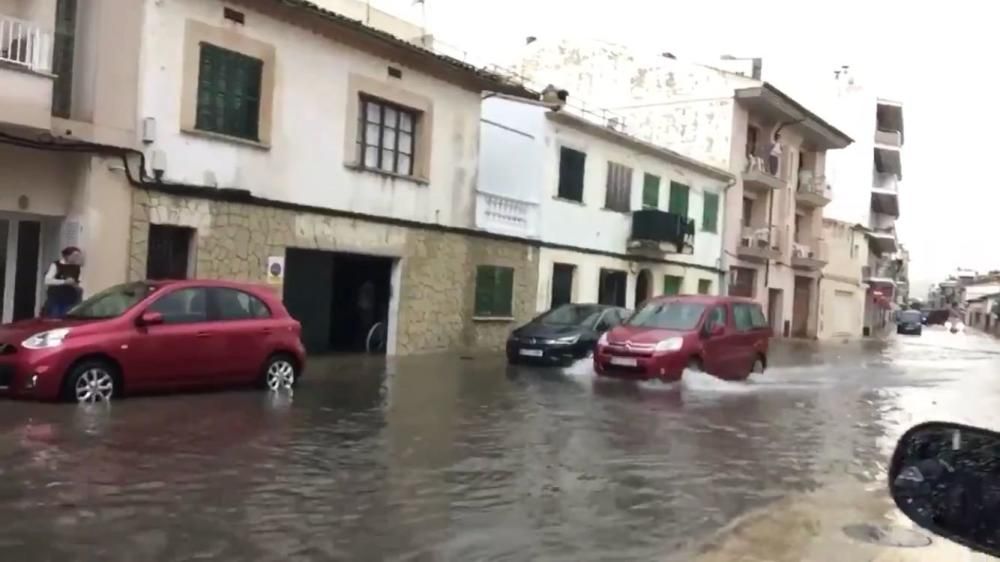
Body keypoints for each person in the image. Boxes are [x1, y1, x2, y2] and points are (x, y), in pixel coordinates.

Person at [43, 247, 83, 318]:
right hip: (56, 299)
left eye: (78, 256)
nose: (77, 258)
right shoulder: (56, 265)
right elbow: (47, 280)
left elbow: (77, 282)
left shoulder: (77, 267)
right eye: (75, 256)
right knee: (55, 319)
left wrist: (75, 285)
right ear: (67, 256)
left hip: (70, 299)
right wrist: (64, 282)